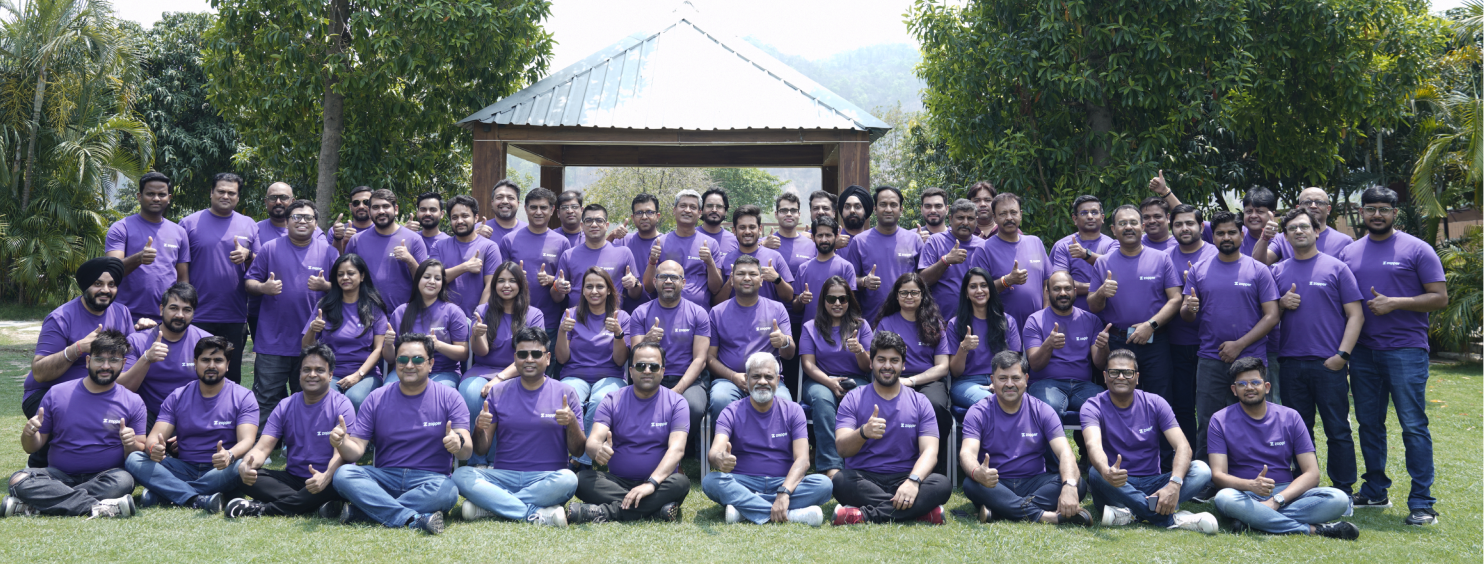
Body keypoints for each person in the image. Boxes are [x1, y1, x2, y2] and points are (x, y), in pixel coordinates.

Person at [1339, 186, 1448, 524]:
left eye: (1383, 209)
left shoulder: (1418, 249)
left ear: (1394, 213)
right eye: (1370, 208)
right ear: (1361, 212)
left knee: (1413, 425)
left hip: (1405, 351)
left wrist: (1396, 302)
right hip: (1363, 353)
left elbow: (1440, 297)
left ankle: (1422, 502)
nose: (1377, 215)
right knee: (1369, 424)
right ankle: (1374, 490)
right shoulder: (1349, 253)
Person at [331, 334, 469, 534]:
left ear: (431, 364)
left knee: (448, 491)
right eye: (403, 359)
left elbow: (467, 452)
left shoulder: (450, 397)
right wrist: (342, 442)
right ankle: (412, 518)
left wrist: (459, 442)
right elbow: (355, 452)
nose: (409, 365)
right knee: (343, 474)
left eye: (418, 359)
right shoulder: (376, 398)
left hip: (429, 480)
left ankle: (366, 512)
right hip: (384, 478)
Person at [1210, 358, 1358, 538]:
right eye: (1242, 384)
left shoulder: (1290, 417)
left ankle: (1253, 519)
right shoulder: (1220, 420)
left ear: (1266, 387)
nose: (1249, 388)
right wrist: (1251, 485)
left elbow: (1312, 473)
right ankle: (1314, 530)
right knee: (1224, 498)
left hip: (1286, 494)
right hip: (1242, 494)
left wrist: (1277, 500)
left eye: (1255, 382)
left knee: (1339, 499)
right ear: (1234, 390)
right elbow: (1218, 475)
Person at [1272, 208, 1363, 500]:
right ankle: (1302, 487)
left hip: (1329, 365)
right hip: (1290, 364)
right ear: (1285, 237)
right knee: (1299, 433)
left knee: (1338, 429)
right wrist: (1281, 304)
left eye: (1304, 227)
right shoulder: (1278, 272)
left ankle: (1343, 488)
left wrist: (1342, 356)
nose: (1298, 232)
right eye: (1292, 229)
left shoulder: (1336, 268)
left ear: (1316, 231)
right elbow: (1266, 316)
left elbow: (1356, 315)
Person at [4, 329, 142, 519]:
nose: (106, 366)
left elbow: (137, 453)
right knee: (19, 479)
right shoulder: (57, 393)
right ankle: (99, 507)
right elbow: (31, 447)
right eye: (99, 359)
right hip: (58, 475)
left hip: (104, 477)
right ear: (88, 361)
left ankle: (40, 505)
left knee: (124, 480)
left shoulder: (133, 401)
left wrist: (130, 444)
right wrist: (28, 434)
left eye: (114, 360)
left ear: (123, 363)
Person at [453, 328, 581, 527]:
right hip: (503, 476)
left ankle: (491, 506)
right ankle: (533, 512)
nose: (529, 359)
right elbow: (481, 450)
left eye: (536, 354)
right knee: (461, 475)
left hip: (547, 478)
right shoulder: (498, 391)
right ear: (515, 358)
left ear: (547, 358)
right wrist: (478, 428)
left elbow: (578, 450)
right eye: (522, 354)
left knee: (569, 479)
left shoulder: (566, 392)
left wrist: (572, 422)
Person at [1082, 349, 1216, 532]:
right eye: (1114, 372)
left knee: (1201, 470)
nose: (1121, 377)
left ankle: (1131, 513)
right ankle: (1168, 518)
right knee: (1096, 473)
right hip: (1117, 484)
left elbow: (1183, 446)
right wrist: (1107, 471)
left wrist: (1174, 485)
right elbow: (1093, 445)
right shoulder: (1092, 406)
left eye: (1127, 373)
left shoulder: (1155, 403)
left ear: (1137, 377)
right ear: (1105, 376)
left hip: (1154, 482)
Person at [1181, 211, 1279, 461]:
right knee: (1207, 419)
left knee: (1255, 417)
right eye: (1221, 233)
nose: (1226, 237)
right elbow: (1187, 314)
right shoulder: (1198, 270)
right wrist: (1188, 309)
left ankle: (1256, 468)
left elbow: (1271, 316)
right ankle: (1206, 478)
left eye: (1232, 232)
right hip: (1210, 358)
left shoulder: (1258, 270)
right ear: (1212, 237)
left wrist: (1240, 345)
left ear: (1242, 234)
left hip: (1251, 359)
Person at [23, 257, 136, 468]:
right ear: (85, 286)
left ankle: (104, 466)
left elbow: (129, 356)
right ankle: (41, 462)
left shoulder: (122, 313)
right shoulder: (60, 318)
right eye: (98, 284)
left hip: (102, 391)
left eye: (111, 285)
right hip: (48, 394)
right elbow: (39, 372)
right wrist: (77, 348)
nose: (105, 290)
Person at [125, 336, 258, 514]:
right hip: (183, 468)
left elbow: (247, 440)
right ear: (195, 363)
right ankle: (197, 499)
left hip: (221, 469)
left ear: (227, 365)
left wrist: (230, 455)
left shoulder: (243, 397)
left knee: (242, 466)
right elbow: (153, 439)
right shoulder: (178, 396)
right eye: (205, 360)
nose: (211, 365)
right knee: (134, 459)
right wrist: (154, 449)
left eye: (218, 360)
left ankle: (166, 493)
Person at [830, 331, 952, 525]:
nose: (887, 366)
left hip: (905, 476)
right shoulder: (853, 398)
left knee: (941, 484)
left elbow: (930, 452)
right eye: (881, 359)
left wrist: (913, 481)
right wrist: (863, 433)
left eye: (894, 360)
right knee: (839, 481)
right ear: (871, 363)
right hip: (864, 477)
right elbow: (842, 449)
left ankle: (865, 515)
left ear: (903, 365)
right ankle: (919, 512)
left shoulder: (920, 402)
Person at [958, 351, 1090, 525]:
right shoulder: (978, 412)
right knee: (971, 483)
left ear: (1026, 379)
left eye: (1016, 378)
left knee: (1077, 484)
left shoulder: (1042, 410)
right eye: (1003, 378)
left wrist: (1069, 486)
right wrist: (978, 472)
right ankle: (1045, 516)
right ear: (992, 380)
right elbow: (967, 453)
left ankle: (1001, 511)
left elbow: (1065, 452)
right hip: (996, 482)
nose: (1010, 384)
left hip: (1035, 481)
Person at [703, 351, 832, 526]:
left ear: (778, 381)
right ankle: (789, 514)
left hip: (783, 480)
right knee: (711, 481)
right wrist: (720, 459)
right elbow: (714, 452)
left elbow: (802, 460)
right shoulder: (731, 411)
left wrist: (784, 492)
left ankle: (745, 509)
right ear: (747, 379)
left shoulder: (793, 411)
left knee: (824, 484)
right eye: (756, 376)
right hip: (743, 481)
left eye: (768, 377)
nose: (762, 381)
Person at [226, 344, 355, 518]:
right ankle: (314, 505)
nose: (312, 375)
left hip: (330, 476)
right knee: (244, 477)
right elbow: (263, 447)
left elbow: (340, 455)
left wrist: (325, 477)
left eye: (319, 370)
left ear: (330, 375)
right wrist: (247, 464)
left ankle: (264, 509)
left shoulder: (341, 404)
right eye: (306, 369)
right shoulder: (285, 405)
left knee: (340, 482)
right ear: (299, 373)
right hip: (293, 478)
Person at [568, 342, 690, 523]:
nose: (647, 370)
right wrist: (597, 450)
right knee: (581, 480)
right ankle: (655, 510)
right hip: (617, 482)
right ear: (631, 371)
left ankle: (606, 512)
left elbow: (677, 450)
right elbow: (593, 440)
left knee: (681, 483)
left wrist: (651, 484)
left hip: (659, 482)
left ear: (663, 371)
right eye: (641, 366)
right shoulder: (612, 400)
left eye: (653, 366)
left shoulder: (677, 403)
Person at [246, 199, 338, 426]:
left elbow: (345, 287)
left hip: (313, 340)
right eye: (296, 217)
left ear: (316, 224)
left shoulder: (328, 251)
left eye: (308, 217)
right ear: (286, 222)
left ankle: (301, 439)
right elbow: (249, 281)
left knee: (308, 394)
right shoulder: (270, 249)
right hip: (272, 339)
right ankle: (265, 442)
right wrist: (263, 288)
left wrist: (325, 286)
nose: (302, 221)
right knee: (267, 396)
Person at [1088, 205, 1183, 400]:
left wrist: (1151, 325)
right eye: (1122, 223)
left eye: (1133, 222)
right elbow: (1093, 306)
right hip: (1117, 342)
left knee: (1159, 398)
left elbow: (1176, 298)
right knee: (1118, 398)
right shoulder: (1103, 263)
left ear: (1143, 226)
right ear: (1113, 230)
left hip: (1155, 341)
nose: (1128, 227)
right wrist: (1101, 293)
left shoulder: (1161, 259)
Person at [464, 261, 546, 466]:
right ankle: (478, 459)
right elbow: (481, 352)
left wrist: (500, 378)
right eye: (501, 281)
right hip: (483, 369)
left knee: (496, 391)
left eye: (512, 281)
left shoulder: (533, 314)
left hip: (522, 372)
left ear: (521, 284)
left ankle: (501, 459)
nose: (506, 285)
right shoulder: (483, 310)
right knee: (472, 393)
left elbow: (532, 356)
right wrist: (478, 334)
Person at [872, 272, 953, 472]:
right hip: (892, 379)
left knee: (936, 406)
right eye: (904, 293)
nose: (909, 297)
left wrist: (913, 381)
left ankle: (932, 466)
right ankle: (894, 465)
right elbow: (876, 361)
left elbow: (943, 366)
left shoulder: (935, 324)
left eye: (914, 293)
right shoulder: (886, 323)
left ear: (923, 295)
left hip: (927, 381)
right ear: (897, 296)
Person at [180, 172, 255, 383]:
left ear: (238, 197)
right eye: (220, 191)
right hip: (197, 315)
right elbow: (180, 269)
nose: (226, 196)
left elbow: (259, 267)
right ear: (211, 192)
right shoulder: (188, 223)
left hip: (234, 315)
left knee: (230, 378)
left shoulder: (249, 224)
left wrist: (247, 255)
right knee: (193, 376)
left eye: (232, 192)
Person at [629, 260, 711, 454]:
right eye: (663, 276)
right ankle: (656, 451)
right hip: (649, 376)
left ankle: (671, 451)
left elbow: (700, 359)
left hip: (688, 380)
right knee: (640, 403)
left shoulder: (698, 313)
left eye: (673, 277)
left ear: (683, 282)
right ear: (655, 282)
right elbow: (635, 356)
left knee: (694, 406)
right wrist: (647, 341)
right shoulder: (641, 313)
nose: (668, 281)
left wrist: (678, 389)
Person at [800, 276, 874, 476]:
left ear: (849, 300)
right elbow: (807, 364)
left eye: (842, 298)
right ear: (823, 301)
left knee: (863, 397)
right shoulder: (810, 326)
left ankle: (862, 461)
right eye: (831, 299)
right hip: (819, 379)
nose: (837, 303)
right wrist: (829, 382)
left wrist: (858, 350)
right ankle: (831, 465)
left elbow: (868, 366)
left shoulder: (861, 326)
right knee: (822, 400)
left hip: (855, 378)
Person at [707, 256, 796, 421]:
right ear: (732, 280)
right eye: (740, 273)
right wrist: (733, 376)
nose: (747, 278)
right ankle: (725, 446)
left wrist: (784, 342)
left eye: (752, 274)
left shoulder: (777, 309)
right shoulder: (717, 312)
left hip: (768, 380)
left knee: (784, 403)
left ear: (761, 280)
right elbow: (710, 358)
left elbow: (789, 354)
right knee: (720, 399)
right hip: (729, 381)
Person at [1021, 271, 1110, 426]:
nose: (1063, 293)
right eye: (1057, 289)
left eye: (1067, 288)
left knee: (1106, 407)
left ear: (1075, 291)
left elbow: (1100, 364)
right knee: (1049, 409)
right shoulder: (1035, 320)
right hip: (1045, 383)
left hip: (1083, 385)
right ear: (1048, 292)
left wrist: (1103, 347)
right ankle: (1055, 451)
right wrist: (1048, 345)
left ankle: (1093, 450)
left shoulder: (1091, 320)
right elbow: (1034, 365)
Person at [556, 268, 631, 450]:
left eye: (600, 286)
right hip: (574, 375)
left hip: (610, 376)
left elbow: (620, 361)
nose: (594, 291)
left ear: (609, 290)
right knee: (569, 396)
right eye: (589, 286)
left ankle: (583, 458)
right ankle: (572, 452)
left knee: (599, 400)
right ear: (582, 290)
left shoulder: (621, 317)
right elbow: (561, 358)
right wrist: (562, 331)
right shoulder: (570, 315)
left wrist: (618, 334)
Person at [303, 253, 390, 410]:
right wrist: (311, 329)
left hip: (366, 375)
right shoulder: (325, 306)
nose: (345, 277)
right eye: (340, 274)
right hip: (329, 374)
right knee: (328, 400)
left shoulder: (374, 309)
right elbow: (306, 347)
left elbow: (379, 350)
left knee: (354, 399)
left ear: (362, 276)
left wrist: (358, 375)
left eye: (350, 273)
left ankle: (357, 435)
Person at [1164, 204, 1217, 451]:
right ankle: (1188, 458)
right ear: (1171, 227)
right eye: (1178, 224)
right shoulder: (1165, 257)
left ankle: (1215, 459)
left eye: (1190, 223)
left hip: (1212, 344)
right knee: (1182, 406)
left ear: (1201, 227)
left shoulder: (1217, 254)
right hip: (1175, 343)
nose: (1184, 228)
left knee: (1212, 407)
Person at [106, 171, 191, 323]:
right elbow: (111, 271)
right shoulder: (121, 228)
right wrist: (138, 258)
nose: (156, 198)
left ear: (169, 198)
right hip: (125, 316)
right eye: (150, 194)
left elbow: (182, 279)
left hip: (165, 318)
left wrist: (181, 312)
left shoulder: (179, 232)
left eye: (162, 194)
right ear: (139, 196)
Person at [120, 283, 213, 422]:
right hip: (147, 414)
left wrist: (191, 428)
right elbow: (123, 389)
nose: (180, 315)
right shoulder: (137, 341)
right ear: (162, 309)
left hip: (191, 414)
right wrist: (146, 358)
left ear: (193, 313)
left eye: (187, 310)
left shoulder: (206, 342)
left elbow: (216, 390)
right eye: (174, 308)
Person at [499, 187, 575, 350]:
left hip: (550, 320)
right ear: (525, 209)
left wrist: (552, 281)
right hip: (514, 319)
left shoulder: (562, 242)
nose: (538, 212)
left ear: (552, 210)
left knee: (546, 367)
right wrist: (514, 277)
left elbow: (565, 284)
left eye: (543, 207)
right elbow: (497, 281)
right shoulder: (509, 240)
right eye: (533, 207)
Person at [966, 193, 1050, 328]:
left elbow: (1047, 283)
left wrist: (1045, 314)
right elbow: (976, 291)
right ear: (994, 217)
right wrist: (1007, 281)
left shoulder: (1035, 242)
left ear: (1021, 214)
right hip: (1001, 328)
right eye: (1003, 214)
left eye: (1013, 212)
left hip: (1037, 327)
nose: (1009, 218)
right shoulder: (984, 249)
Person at [383, 259, 470, 390]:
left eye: (437, 278)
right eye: (427, 277)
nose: (432, 282)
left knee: (438, 394)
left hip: (442, 372)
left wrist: (439, 345)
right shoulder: (401, 312)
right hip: (407, 370)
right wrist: (389, 344)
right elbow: (389, 359)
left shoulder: (453, 311)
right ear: (417, 279)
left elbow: (464, 354)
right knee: (387, 391)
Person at [844, 186, 922, 321]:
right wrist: (864, 281)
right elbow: (849, 280)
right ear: (875, 209)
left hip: (908, 320)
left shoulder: (914, 240)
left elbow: (924, 279)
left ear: (901, 209)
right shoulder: (860, 241)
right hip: (871, 320)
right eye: (883, 204)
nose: (888, 209)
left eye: (893, 205)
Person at [947, 268, 1022, 409]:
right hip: (967, 383)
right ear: (966, 293)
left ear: (990, 290)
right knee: (993, 402)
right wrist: (963, 348)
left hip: (1003, 379)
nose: (979, 290)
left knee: (1013, 401)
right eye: (973, 286)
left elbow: (1015, 363)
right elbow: (955, 372)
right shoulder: (955, 324)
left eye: (984, 285)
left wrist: (1001, 381)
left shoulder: (1008, 321)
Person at [344, 189, 428, 314]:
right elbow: (346, 279)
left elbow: (425, 283)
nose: (381, 211)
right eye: (376, 207)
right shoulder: (356, 240)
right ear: (369, 211)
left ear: (396, 209)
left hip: (403, 317)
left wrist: (410, 260)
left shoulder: (414, 239)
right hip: (365, 316)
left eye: (386, 206)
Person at [553, 204, 642, 308]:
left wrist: (634, 283)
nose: (594, 225)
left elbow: (636, 295)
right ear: (582, 226)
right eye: (589, 220)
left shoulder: (624, 253)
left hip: (612, 320)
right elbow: (556, 298)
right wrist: (557, 287)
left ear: (607, 225)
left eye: (599, 220)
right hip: (577, 320)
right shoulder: (568, 255)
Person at [646, 189, 723, 308]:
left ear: (699, 213)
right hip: (665, 311)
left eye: (693, 207)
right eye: (683, 206)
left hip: (700, 315)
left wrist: (710, 263)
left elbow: (716, 289)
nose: (687, 210)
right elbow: (649, 287)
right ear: (674, 210)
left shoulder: (710, 244)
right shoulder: (660, 243)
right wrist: (652, 262)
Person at [429, 194, 501, 317]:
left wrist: (478, 317)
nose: (460, 221)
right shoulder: (439, 246)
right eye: (455, 217)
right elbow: (433, 279)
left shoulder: (489, 247)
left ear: (476, 218)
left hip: (478, 318)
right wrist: (465, 267)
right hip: (443, 318)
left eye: (465, 216)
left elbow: (491, 286)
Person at [1050, 195, 1117, 311]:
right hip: (1073, 317)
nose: (1090, 216)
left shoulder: (1113, 245)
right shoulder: (1063, 246)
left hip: (1107, 315)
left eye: (1094, 212)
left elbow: (1115, 267)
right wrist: (1099, 289)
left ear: (1102, 218)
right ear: (1074, 219)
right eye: (1084, 213)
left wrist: (1085, 254)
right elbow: (1061, 284)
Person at [718, 205, 795, 305]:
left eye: (752, 227)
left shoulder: (775, 257)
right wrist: (729, 283)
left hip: (767, 319)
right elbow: (716, 303)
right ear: (734, 230)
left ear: (759, 229)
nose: (747, 231)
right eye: (742, 227)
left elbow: (789, 297)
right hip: (733, 319)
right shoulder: (724, 260)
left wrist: (777, 279)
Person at [1258, 187, 1354, 264]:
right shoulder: (1283, 238)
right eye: (1307, 202)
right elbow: (1259, 263)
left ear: (1328, 209)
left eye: (1319, 202)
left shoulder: (1345, 242)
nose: (1313, 206)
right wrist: (1264, 237)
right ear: (1298, 208)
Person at [919, 199, 983, 312]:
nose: (965, 222)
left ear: (976, 221)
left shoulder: (984, 246)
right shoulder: (935, 241)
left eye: (970, 218)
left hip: (976, 317)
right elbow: (922, 280)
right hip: (940, 319)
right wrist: (946, 261)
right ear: (950, 219)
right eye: (960, 218)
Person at [793, 216, 857, 324]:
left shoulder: (846, 267)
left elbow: (851, 305)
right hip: (810, 332)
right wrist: (800, 299)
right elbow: (795, 307)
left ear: (836, 237)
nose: (824, 240)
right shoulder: (803, 268)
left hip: (839, 331)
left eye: (828, 235)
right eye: (820, 235)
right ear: (813, 238)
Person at [619, 193, 663, 314]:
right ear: (633, 218)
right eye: (639, 213)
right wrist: (612, 236)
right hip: (628, 313)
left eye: (649, 212)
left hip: (660, 313)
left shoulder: (667, 243)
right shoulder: (624, 241)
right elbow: (600, 254)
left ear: (657, 216)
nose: (644, 217)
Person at [481, 179, 528, 244]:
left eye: (510, 198)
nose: (505, 201)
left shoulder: (528, 231)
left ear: (518, 203)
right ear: (492, 202)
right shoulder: (478, 230)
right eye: (499, 197)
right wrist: (474, 238)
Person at [331, 186, 375, 253]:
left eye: (366, 202)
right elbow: (331, 261)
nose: (361, 206)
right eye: (356, 203)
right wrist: (340, 241)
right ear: (350, 207)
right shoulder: (336, 231)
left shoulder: (381, 231)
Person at [698, 188, 740, 258]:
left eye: (719, 206)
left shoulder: (735, 240)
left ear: (725, 211)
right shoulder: (690, 236)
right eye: (709, 206)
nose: (714, 210)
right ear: (701, 210)